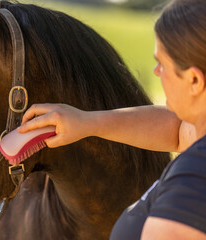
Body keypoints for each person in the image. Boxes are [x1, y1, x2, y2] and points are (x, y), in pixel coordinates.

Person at [17, 0, 206, 239]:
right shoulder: (198, 138)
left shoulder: (193, 182)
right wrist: (85, 122)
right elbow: (178, 130)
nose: (156, 72)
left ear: (195, 81)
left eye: (162, 64)